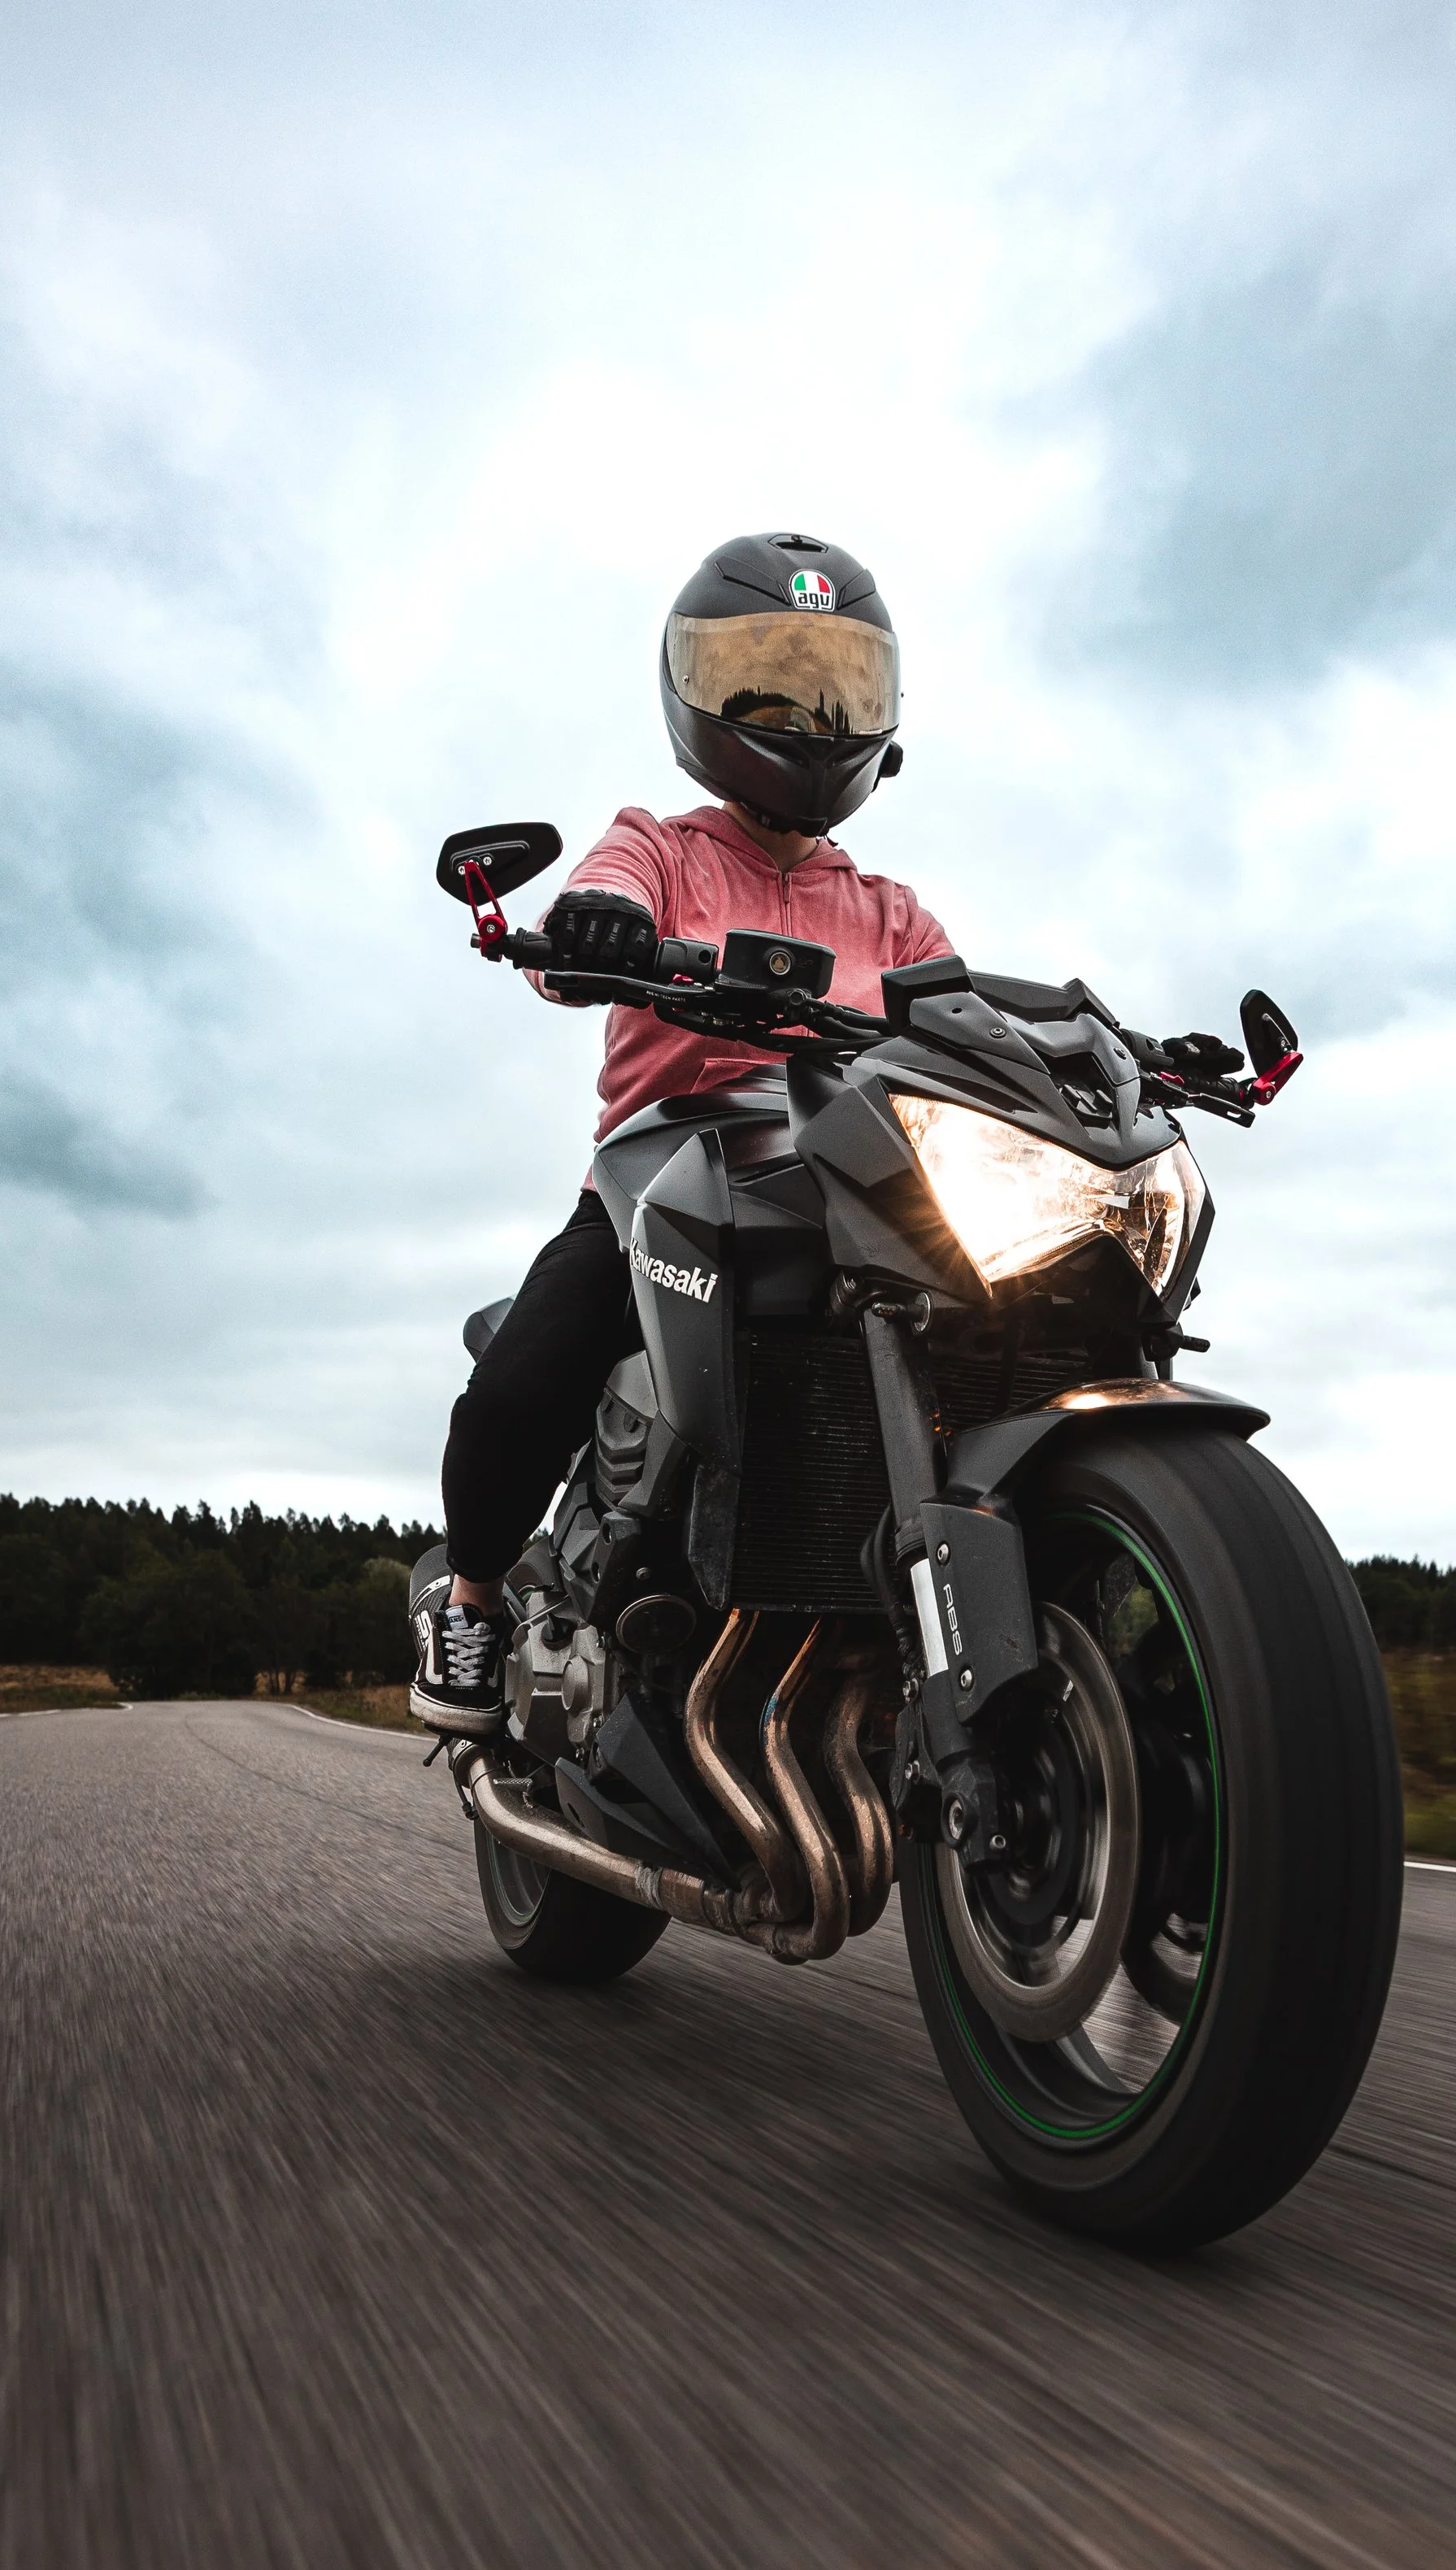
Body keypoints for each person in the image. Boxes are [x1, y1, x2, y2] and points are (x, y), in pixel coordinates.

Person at [411, 531, 953, 1732]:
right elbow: (591, 902)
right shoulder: (656, 843)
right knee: (520, 1386)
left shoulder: (891, 911)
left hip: (847, 1180)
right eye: (769, 677)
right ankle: (473, 1590)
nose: (807, 715)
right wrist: (599, 921)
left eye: (838, 685)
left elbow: (956, 1022)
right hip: (668, 1171)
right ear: (698, 693)